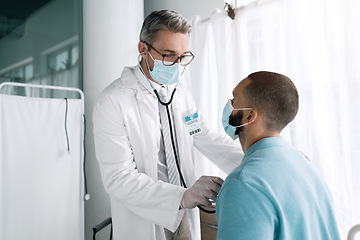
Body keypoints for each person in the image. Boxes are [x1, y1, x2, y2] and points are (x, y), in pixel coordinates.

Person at [93, 10, 243, 240]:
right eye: (169, 55)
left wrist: (256, 158)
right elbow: (118, 178)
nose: (178, 64)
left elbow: (203, 135)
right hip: (146, 213)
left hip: (183, 209)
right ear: (143, 50)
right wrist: (180, 197)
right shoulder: (113, 101)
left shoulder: (180, 94)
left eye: (183, 56)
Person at [216, 71, 340, 240]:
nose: (229, 105)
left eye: (234, 100)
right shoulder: (306, 167)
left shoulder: (244, 184)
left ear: (250, 115)